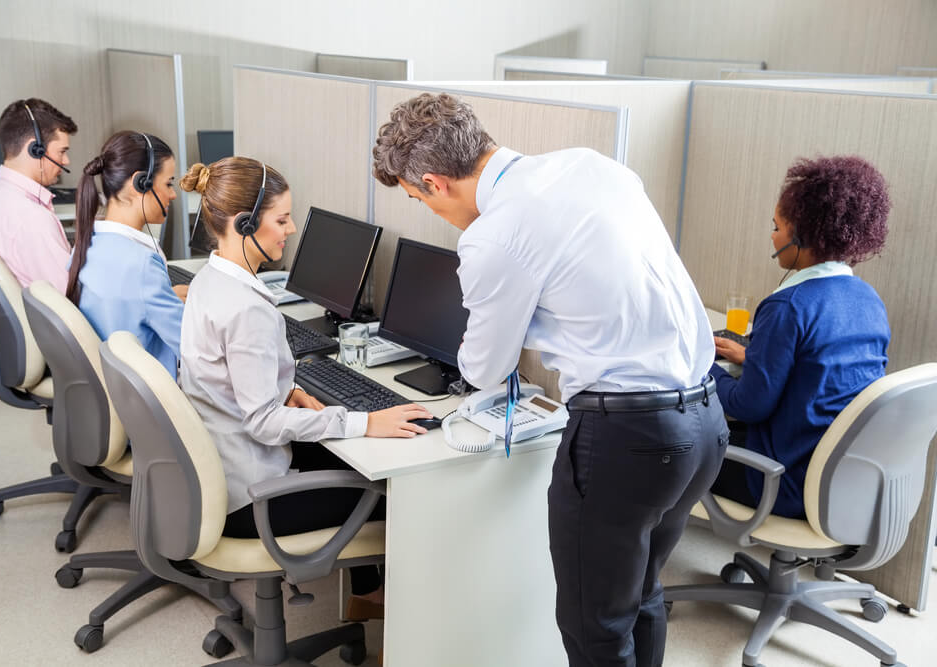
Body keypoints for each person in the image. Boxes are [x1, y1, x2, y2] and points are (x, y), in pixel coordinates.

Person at [372, 92, 726, 667]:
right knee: (641, 597)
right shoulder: (591, 164)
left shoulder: (494, 235)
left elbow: (483, 369)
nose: (432, 212)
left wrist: (513, 319)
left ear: (436, 183)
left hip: (627, 437)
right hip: (704, 422)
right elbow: (600, 294)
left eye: (421, 200)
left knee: (595, 625)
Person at [177, 157, 433, 618]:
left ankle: (364, 599)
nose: (291, 228)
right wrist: (366, 420)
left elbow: (231, 380)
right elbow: (262, 421)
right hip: (248, 501)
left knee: (341, 451)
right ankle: (380, 613)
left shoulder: (208, 280)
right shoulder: (245, 309)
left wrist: (284, 386)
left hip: (221, 473)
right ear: (246, 223)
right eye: (281, 219)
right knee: (393, 492)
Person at [710, 155, 891, 519]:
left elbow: (748, 406)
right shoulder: (868, 299)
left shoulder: (788, 306)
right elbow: (826, 375)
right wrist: (756, 359)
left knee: (671, 447)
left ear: (801, 236)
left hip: (782, 482)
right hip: (842, 482)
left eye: (776, 226)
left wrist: (703, 370)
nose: (773, 235)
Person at [66, 131, 184, 378]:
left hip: (113, 382)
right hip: (151, 391)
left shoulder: (86, 244)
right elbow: (192, 347)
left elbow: (126, 301)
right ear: (140, 183)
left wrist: (168, 296)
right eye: (169, 183)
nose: (173, 194)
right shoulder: (141, 264)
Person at [0, 98, 77, 292]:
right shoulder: (32, 218)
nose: (66, 161)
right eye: (62, 151)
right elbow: (71, 295)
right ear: (35, 149)